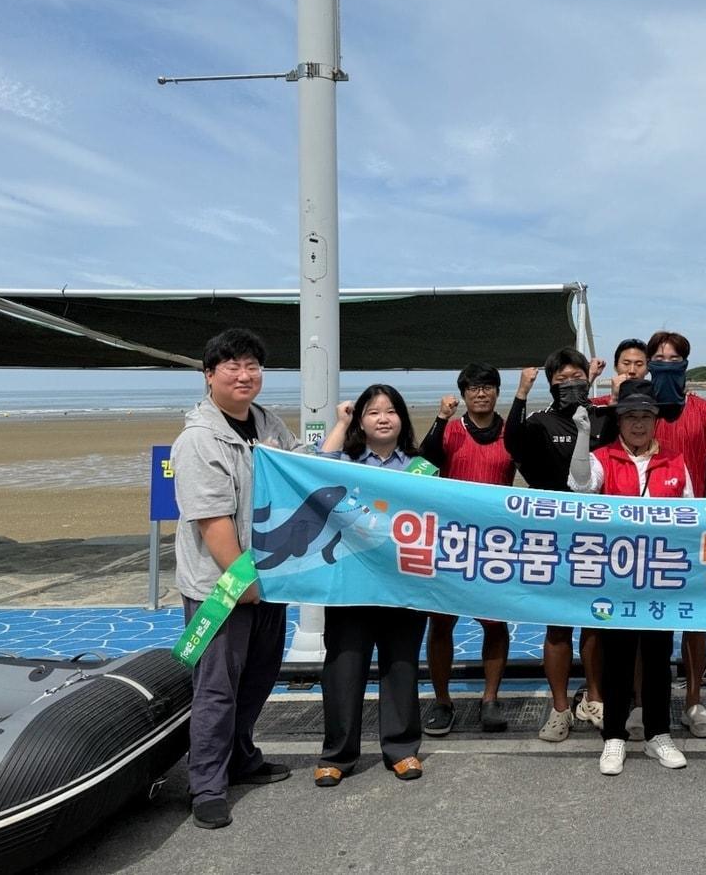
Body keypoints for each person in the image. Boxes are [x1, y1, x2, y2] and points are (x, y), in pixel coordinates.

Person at [170, 328, 306, 830]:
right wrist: (242, 582)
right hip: (222, 585)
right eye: (232, 367)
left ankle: (242, 757)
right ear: (209, 376)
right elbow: (212, 522)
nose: (245, 375)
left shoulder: (267, 422)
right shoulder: (198, 440)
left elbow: (299, 472)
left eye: (252, 366)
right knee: (217, 688)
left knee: (260, 675)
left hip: (269, 578)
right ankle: (205, 783)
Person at [568, 379, 693, 775]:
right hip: (615, 581)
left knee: (658, 658)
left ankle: (658, 734)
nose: (638, 424)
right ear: (619, 421)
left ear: (656, 421)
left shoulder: (675, 462)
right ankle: (615, 738)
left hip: (660, 578)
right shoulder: (603, 458)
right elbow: (581, 487)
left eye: (645, 416)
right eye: (630, 416)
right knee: (616, 658)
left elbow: (691, 517)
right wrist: (584, 438)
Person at [312, 385, 428, 787]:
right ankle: (337, 755)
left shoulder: (420, 467)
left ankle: (401, 749)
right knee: (343, 669)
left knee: (401, 667)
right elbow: (319, 465)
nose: (383, 418)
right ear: (361, 420)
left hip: (403, 587)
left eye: (391, 410)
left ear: (402, 419)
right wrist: (341, 421)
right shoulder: (345, 463)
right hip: (349, 586)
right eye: (373, 412)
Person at [504, 347, 617, 742]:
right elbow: (513, 442)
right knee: (557, 628)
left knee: (596, 624)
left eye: (578, 378)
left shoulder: (604, 418)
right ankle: (558, 708)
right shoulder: (539, 422)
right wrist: (521, 391)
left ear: (588, 379)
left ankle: (595, 698)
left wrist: (609, 391)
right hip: (554, 536)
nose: (571, 385)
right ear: (551, 384)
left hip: (598, 537)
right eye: (562, 380)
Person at [418, 363, 515, 735]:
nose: (481, 393)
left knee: (495, 623)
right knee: (440, 623)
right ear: (463, 393)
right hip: (451, 542)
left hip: (495, 543)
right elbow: (422, 464)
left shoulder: (512, 433)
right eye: (473, 387)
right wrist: (441, 419)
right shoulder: (450, 430)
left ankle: (490, 699)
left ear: (496, 392)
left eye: (488, 386)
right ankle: (442, 701)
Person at [644, 330, 706, 739]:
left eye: (673, 358)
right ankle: (642, 704)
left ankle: (694, 701)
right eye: (657, 358)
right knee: (644, 622)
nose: (665, 363)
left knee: (696, 620)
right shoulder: (638, 409)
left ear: (686, 364)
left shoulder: (705, 412)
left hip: (693, 531)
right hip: (645, 535)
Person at [588, 338, 649, 406]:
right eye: (626, 363)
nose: (632, 370)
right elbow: (576, 408)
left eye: (639, 364)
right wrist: (591, 374)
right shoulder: (602, 403)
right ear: (615, 367)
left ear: (648, 369)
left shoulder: (656, 403)